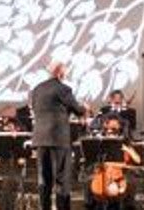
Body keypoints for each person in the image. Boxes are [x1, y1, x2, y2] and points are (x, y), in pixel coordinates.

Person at [29, 60, 89, 210]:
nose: (66, 74)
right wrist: (85, 108)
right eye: (66, 71)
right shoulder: (63, 89)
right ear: (60, 72)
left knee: (44, 178)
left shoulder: (37, 89)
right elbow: (78, 110)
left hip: (40, 138)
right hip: (58, 137)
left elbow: (36, 109)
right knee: (62, 178)